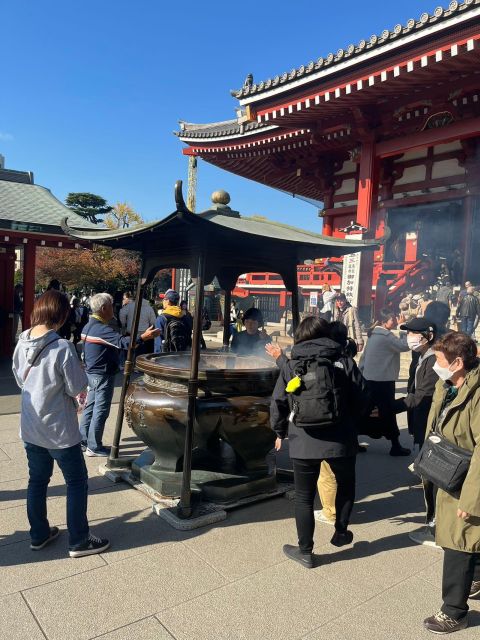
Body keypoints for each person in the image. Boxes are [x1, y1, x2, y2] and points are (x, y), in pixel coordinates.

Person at [12, 290, 110, 557]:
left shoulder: (21, 342)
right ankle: (79, 540)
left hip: (31, 428)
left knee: (37, 481)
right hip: (59, 431)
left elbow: (20, 381)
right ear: (62, 314)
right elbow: (77, 386)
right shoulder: (62, 347)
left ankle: (39, 534)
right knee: (76, 481)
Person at [271, 315, 368, 568]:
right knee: (346, 485)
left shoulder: (292, 366)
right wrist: (351, 422)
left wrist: (280, 432)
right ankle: (341, 531)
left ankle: (305, 551)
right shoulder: (344, 361)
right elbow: (363, 398)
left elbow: (278, 402)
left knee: (304, 497)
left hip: (303, 440)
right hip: (342, 439)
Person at [422, 332, 480, 634]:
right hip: (447, 471)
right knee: (466, 538)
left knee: (458, 542)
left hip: (468, 480)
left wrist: (472, 500)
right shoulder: (447, 385)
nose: (437, 365)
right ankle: (476, 578)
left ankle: (454, 611)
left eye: (440, 361)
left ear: (458, 362)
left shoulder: (478, 393)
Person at [80, 293, 159, 456]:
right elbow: (124, 343)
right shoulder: (101, 329)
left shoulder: (89, 326)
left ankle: (83, 440)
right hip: (102, 374)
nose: (114, 309)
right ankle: (94, 446)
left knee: (91, 407)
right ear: (103, 309)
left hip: (92, 372)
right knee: (100, 409)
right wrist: (144, 337)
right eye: (111, 306)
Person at [359, 309, 411, 456]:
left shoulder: (374, 335)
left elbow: (364, 358)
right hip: (383, 381)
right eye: (392, 319)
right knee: (388, 411)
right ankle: (395, 445)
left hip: (370, 379)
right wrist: (403, 328)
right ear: (384, 322)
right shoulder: (386, 337)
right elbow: (404, 346)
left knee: (365, 411)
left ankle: (352, 441)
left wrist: (361, 372)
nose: (394, 321)